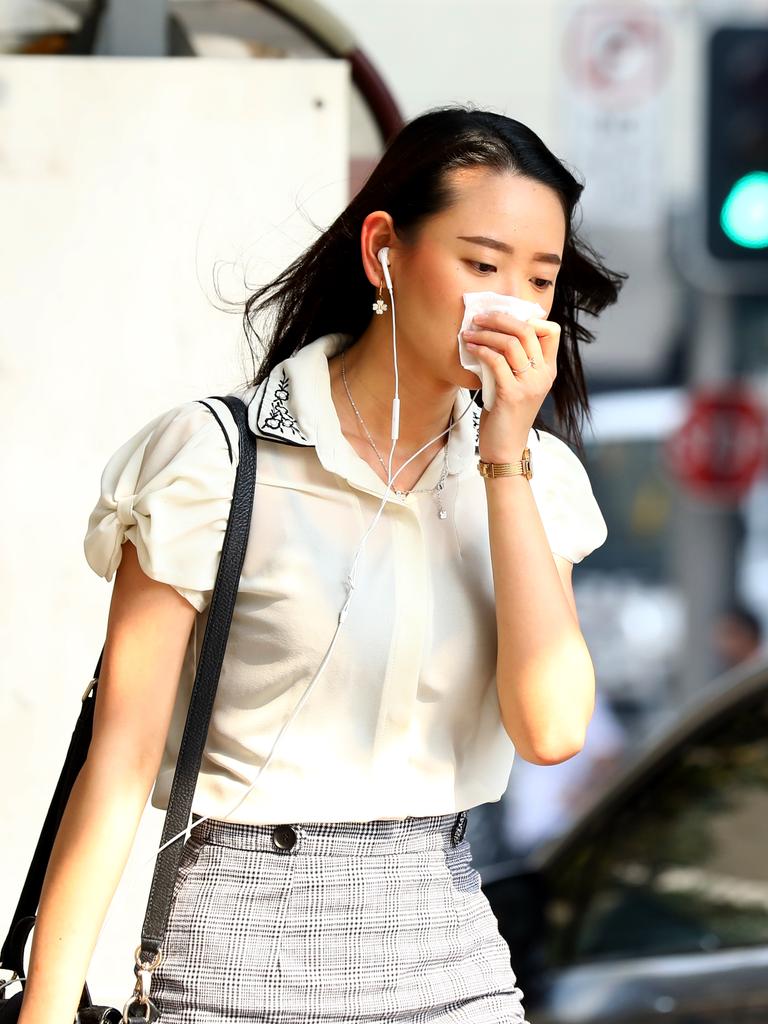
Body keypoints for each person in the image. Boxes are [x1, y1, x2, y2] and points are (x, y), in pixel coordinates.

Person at [17, 104, 625, 1024]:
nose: (512, 303)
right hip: (233, 964)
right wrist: (46, 1012)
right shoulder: (215, 463)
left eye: (539, 280)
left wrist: (507, 457)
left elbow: (550, 730)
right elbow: (121, 760)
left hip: (451, 958)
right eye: (481, 264)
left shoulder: (536, 486)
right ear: (384, 249)